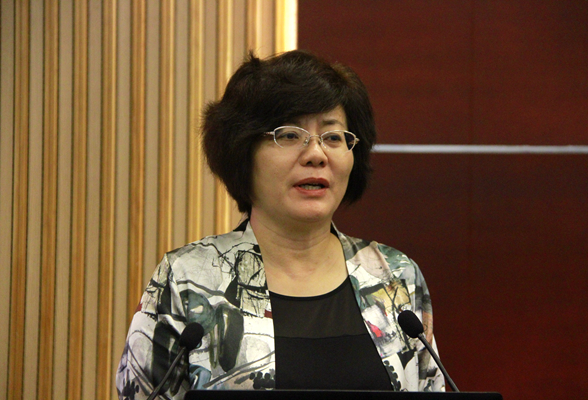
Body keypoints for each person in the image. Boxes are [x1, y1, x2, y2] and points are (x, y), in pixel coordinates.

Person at [116, 50, 445, 399]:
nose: (316, 154)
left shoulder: (394, 277)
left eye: (333, 137)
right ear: (243, 152)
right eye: (289, 135)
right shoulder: (188, 280)